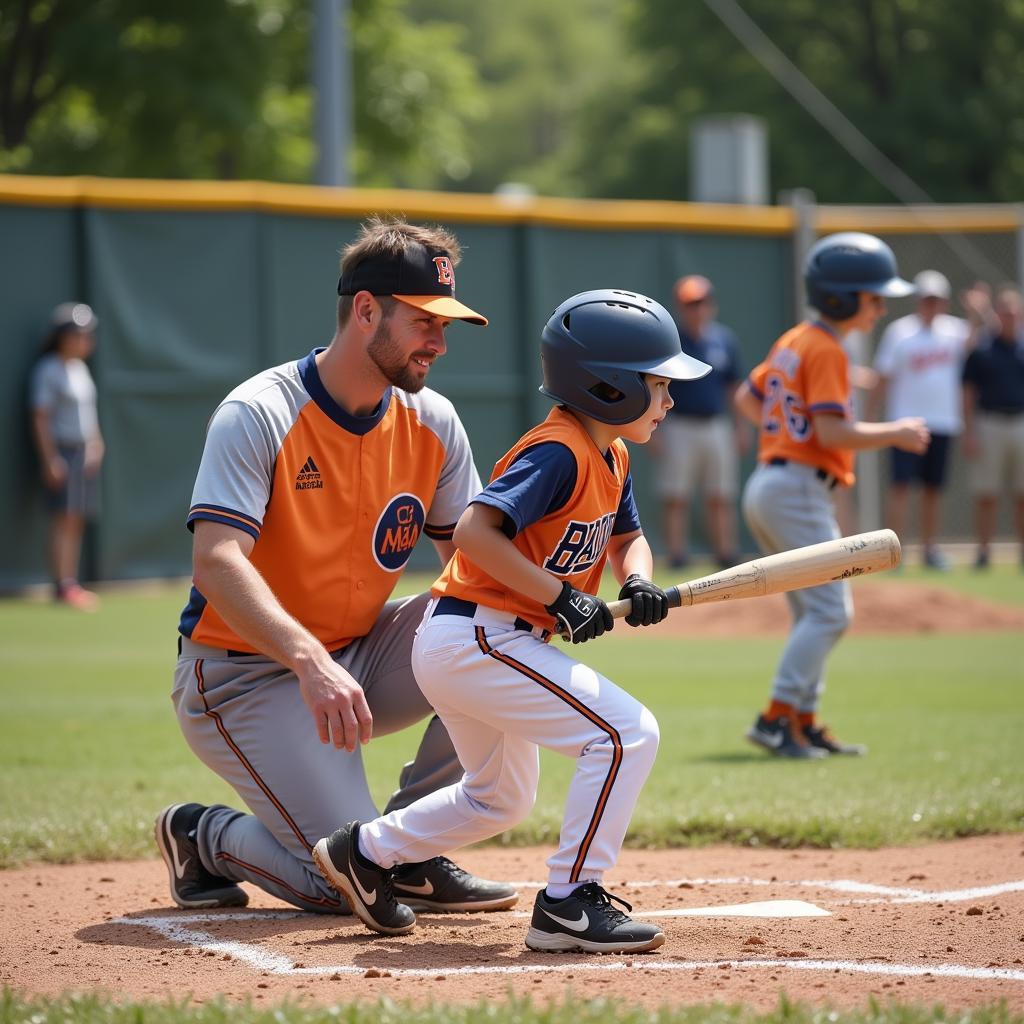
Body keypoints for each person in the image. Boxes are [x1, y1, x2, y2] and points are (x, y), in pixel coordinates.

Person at [311, 289, 712, 953]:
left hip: (481, 640)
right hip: (476, 634)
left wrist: (635, 578)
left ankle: (365, 850)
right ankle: (569, 901)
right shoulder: (558, 450)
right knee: (625, 734)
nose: (669, 399)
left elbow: (625, 539)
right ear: (608, 387)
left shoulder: (612, 454)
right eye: (658, 382)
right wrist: (558, 596)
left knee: (500, 798)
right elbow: (474, 530)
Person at [155, 217, 518, 917]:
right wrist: (308, 661)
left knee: (495, 633)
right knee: (335, 880)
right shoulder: (258, 412)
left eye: (446, 325)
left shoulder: (433, 421)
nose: (439, 343)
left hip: (358, 654)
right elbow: (215, 560)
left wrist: (546, 603)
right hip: (243, 673)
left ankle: (407, 848)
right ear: (365, 311)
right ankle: (203, 836)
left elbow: (473, 569)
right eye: (424, 322)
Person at [735, 233, 930, 759]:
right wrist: (896, 432)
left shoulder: (796, 338)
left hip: (775, 483)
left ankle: (802, 721)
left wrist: (784, 435)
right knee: (831, 613)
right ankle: (776, 719)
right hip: (796, 487)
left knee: (815, 612)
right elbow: (832, 435)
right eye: (873, 297)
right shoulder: (827, 347)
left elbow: (748, 399)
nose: (881, 307)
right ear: (842, 298)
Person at [871, 270, 976, 569]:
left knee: (933, 489)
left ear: (944, 302)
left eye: (937, 300)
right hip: (905, 423)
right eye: (927, 299)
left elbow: (979, 341)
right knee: (900, 487)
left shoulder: (956, 331)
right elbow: (883, 376)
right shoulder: (900, 332)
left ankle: (929, 550)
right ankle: (894, 554)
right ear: (918, 301)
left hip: (942, 421)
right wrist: (872, 416)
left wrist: (977, 311)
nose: (931, 305)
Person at [652, 275, 746, 568]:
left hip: (716, 425)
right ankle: (677, 555)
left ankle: (725, 553)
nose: (698, 309)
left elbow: (734, 387)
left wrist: (741, 425)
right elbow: (655, 383)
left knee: (721, 493)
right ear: (681, 307)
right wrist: (654, 429)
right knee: (676, 495)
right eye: (691, 304)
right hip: (679, 424)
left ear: (711, 304)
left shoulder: (723, 340)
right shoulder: (673, 342)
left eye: (702, 302)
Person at [29, 302, 105, 611]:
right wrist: (49, 459)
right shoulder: (48, 369)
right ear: (61, 336)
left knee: (76, 519)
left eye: (87, 334)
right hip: (63, 449)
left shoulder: (81, 369)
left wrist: (96, 443)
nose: (84, 340)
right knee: (64, 519)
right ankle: (62, 586)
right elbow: (40, 416)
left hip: (83, 452)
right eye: (77, 334)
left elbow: (88, 414)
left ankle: (70, 582)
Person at [961, 285, 1024, 568]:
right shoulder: (983, 348)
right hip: (989, 423)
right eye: (1005, 312)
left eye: (1014, 313)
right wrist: (969, 431)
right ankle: (984, 553)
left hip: (1020, 423)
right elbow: (967, 392)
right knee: (987, 493)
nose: (1009, 317)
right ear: (997, 314)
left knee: (1022, 494)